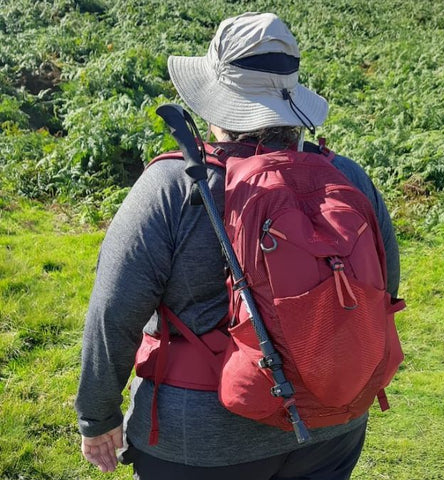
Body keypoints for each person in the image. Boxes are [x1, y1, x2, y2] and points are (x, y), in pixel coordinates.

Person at [75, 12, 401, 480]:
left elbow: (114, 313)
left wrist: (97, 417)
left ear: (217, 100)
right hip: (332, 423)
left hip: (199, 441)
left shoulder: (173, 185)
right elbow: (381, 290)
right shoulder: (347, 177)